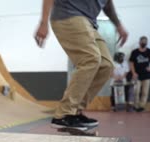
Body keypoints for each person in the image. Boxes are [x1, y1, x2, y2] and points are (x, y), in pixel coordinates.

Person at [35, 0, 128, 130]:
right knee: (90, 59)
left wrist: (118, 25)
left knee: (106, 65)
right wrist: (43, 22)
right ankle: (63, 114)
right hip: (68, 15)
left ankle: (75, 111)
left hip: (89, 23)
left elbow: (107, 4)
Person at [129, 36, 150, 112]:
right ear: (139, 42)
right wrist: (133, 73)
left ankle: (142, 107)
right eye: (142, 41)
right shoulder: (135, 52)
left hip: (146, 75)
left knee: (145, 92)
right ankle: (136, 106)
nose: (143, 43)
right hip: (137, 75)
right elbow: (131, 63)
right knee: (136, 91)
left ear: (147, 43)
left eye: (145, 41)